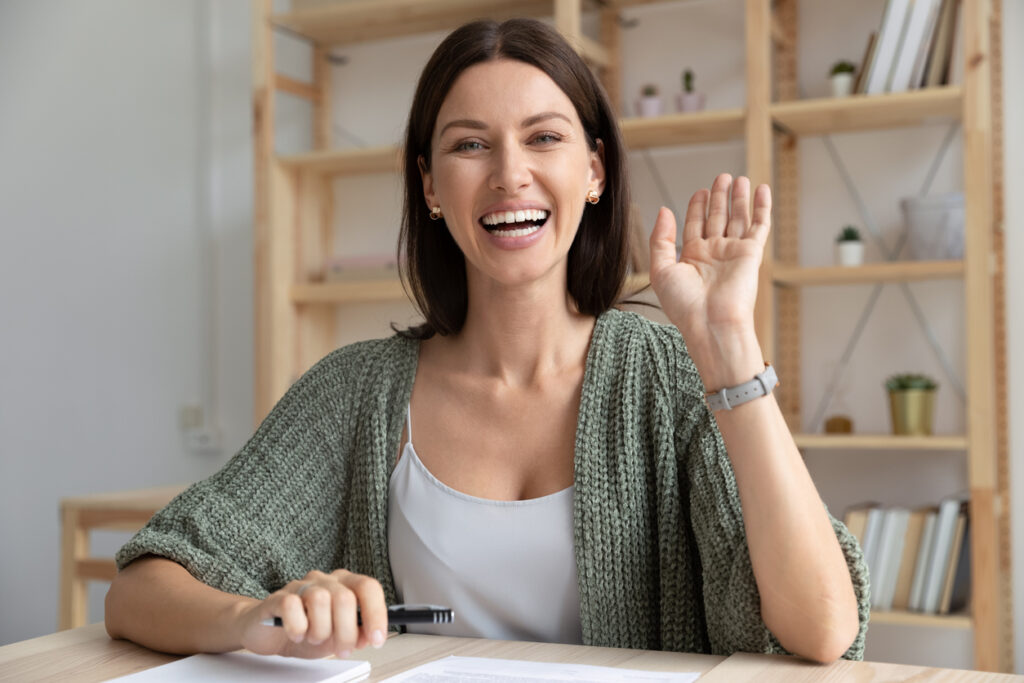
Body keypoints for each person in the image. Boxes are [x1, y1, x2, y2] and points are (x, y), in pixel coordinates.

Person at [105, 18, 868, 665]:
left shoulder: (667, 375)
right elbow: (140, 589)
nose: (510, 175)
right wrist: (254, 617)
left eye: (544, 137)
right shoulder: (356, 391)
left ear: (594, 170)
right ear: (431, 187)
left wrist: (729, 344)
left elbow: (823, 629)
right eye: (471, 145)